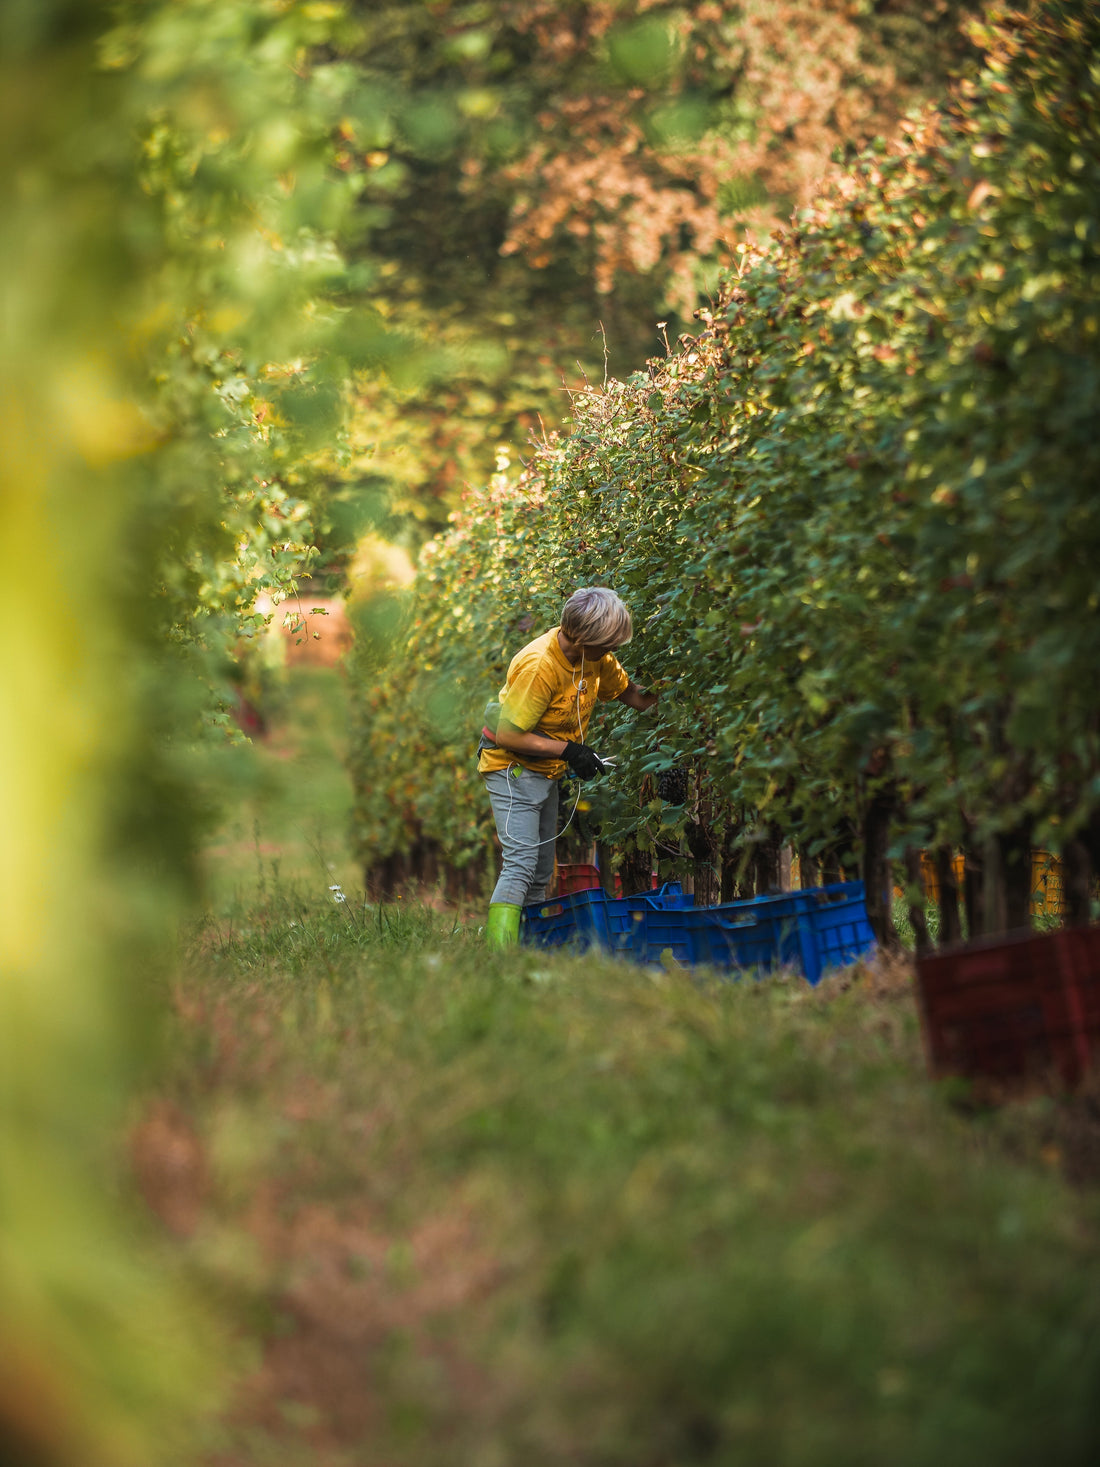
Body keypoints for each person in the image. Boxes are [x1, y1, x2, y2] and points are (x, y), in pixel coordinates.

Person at [478, 586, 658, 948]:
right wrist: (570, 751)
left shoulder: (596, 658)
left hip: (545, 772)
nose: (612, 652)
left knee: (542, 869)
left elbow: (634, 696)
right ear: (582, 637)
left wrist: (676, 695)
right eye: (607, 644)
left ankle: (529, 947)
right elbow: (508, 735)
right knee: (521, 864)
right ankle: (498, 955)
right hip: (511, 770)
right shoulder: (540, 666)